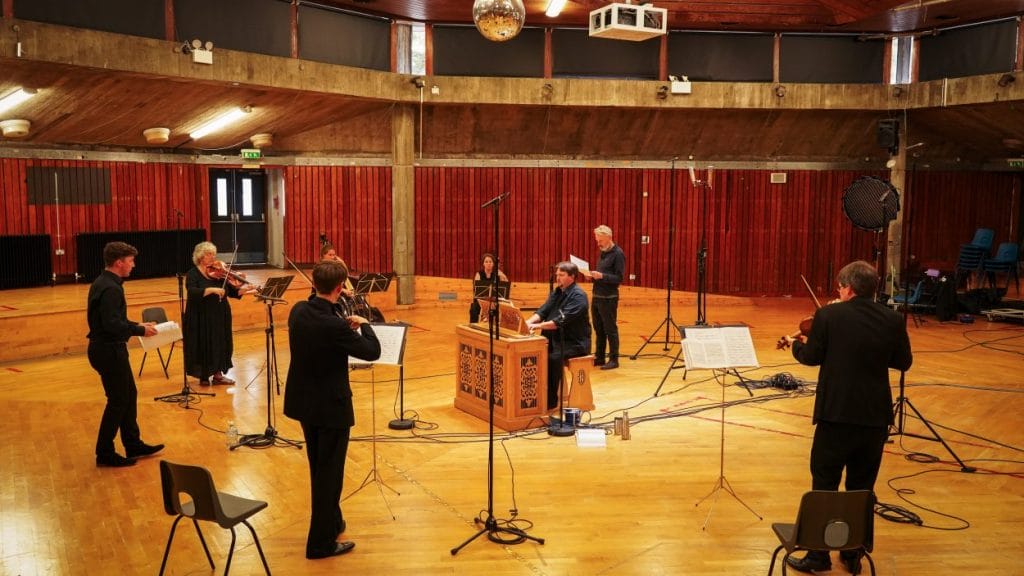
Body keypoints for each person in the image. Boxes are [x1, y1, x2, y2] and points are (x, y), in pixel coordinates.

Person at [782, 260, 912, 575]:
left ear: (848, 288)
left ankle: (818, 556)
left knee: (824, 484)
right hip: (874, 418)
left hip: (835, 416)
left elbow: (812, 357)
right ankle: (853, 554)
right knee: (862, 486)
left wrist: (795, 347)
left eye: (840, 287)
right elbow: (903, 362)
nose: (838, 292)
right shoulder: (893, 319)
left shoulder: (829, 315)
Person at [284, 259, 381, 560]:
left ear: (314, 284)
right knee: (330, 475)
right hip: (331, 407)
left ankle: (333, 521)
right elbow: (372, 352)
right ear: (340, 288)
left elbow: (322, 319)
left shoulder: (298, 311)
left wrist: (342, 320)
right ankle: (320, 544)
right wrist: (364, 326)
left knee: (319, 467)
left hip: (304, 404)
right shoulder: (335, 325)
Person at [87, 241, 163, 467]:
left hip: (108, 348)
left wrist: (136, 324)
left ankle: (133, 443)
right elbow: (111, 325)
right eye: (130, 261)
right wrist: (139, 330)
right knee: (118, 401)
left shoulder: (106, 282)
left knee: (129, 395)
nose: (133, 265)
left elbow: (114, 320)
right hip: (108, 350)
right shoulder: (110, 288)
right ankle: (105, 452)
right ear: (119, 262)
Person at [183, 241, 254, 386]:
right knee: (203, 344)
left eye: (214, 254)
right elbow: (192, 292)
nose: (213, 257)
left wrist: (245, 289)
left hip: (220, 314)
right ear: (200, 257)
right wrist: (212, 290)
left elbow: (233, 291)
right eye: (209, 254)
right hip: (201, 316)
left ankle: (218, 375)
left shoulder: (219, 273)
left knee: (220, 342)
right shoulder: (193, 274)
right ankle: (203, 375)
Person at [526, 262, 591, 410]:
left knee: (551, 358)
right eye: (557, 275)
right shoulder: (558, 292)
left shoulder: (579, 297)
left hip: (574, 342)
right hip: (556, 338)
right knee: (534, 353)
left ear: (572, 277)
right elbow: (543, 311)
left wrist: (537, 326)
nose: (557, 278)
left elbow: (559, 322)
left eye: (561, 275)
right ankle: (536, 395)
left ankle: (550, 401)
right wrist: (527, 322)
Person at [589, 225, 625, 370]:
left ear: (609, 238)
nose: (598, 244)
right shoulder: (603, 252)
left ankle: (614, 359)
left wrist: (602, 276)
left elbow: (619, 278)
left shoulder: (618, 254)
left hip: (609, 298)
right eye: (597, 241)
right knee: (598, 329)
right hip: (597, 295)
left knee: (610, 329)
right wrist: (593, 276)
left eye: (601, 241)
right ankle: (600, 356)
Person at [469, 252, 509, 323]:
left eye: (490, 262)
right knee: (473, 308)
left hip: (493, 300)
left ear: (493, 264)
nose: (488, 263)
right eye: (486, 262)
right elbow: (476, 290)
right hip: (481, 300)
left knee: (497, 306)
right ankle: (473, 325)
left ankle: (493, 325)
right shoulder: (479, 274)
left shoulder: (497, 274)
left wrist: (502, 275)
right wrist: (486, 301)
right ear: (483, 264)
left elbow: (506, 286)